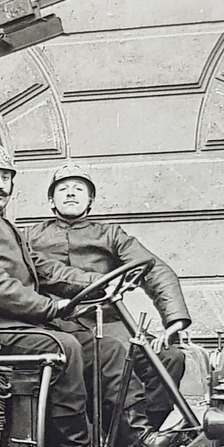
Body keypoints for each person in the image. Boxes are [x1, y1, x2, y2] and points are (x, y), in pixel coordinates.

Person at [0, 139, 128, 447]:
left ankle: (129, 443)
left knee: (107, 349)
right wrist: (51, 308)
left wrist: (98, 282)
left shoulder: (8, 227)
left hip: (19, 327)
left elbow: (47, 269)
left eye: (4, 177)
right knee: (66, 345)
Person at [24, 161, 191, 432]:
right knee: (112, 359)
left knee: (170, 358)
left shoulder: (111, 234)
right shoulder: (30, 237)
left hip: (112, 323)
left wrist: (174, 321)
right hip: (59, 324)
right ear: (51, 201)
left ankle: (144, 435)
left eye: (79, 188)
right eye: (62, 189)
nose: (70, 193)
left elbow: (154, 268)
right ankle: (133, 439)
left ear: (91, 199)